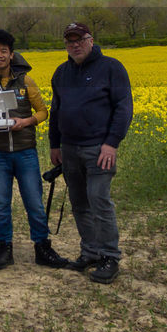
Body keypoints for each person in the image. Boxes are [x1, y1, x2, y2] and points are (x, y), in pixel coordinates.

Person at [0, 29, 69, 270]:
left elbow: (43, 111)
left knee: (34, 202)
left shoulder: (26, 81)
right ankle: (4, 249)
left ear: (11, 54)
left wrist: (25, 122)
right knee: (1, 204)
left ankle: (42, 248)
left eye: (3, 51)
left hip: (25, 151)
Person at [48, 22, 133, 284]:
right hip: (70, 149)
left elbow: (123, 107)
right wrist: (55, 144)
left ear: (91, 40)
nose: (74, 45)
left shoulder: (111, 68)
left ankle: (110, 256)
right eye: (69, 41)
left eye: (79, 39)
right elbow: (56, 110)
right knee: (80, 204)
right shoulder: (61, 73)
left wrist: (112, 143)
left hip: (99, 148)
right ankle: (91, 251)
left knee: (99, 199)